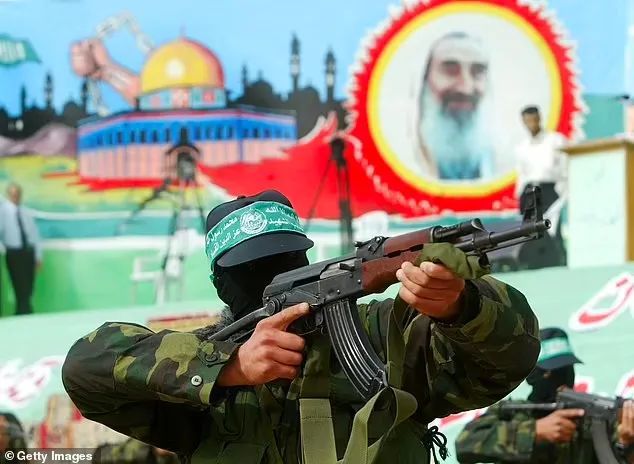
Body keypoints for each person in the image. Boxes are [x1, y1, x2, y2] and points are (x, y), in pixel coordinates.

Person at [62, 189, 541, 464]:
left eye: (286, 260)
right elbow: (86, 366)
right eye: (250, 269)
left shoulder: (379, 333)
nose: (268, 277)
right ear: (220, 284)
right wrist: (230, 366)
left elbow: (508, 358)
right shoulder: (198, 368)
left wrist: (461, 305)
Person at [455, 327, 634, 463]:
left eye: (567, 369)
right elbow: (464, 445)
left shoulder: (593, 419)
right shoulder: (511, 413)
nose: (562, 379)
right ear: (533, 375)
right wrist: (535, 431)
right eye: (551, 372)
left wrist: (626, 444)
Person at [416, 32, 494, 180]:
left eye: (478, 72)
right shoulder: (401, 156)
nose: (466, 88)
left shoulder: (508, 161)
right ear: (424, 80)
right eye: (450, 71)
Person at [515, 106, 568, 212]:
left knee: (550, 222)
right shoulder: (522, 147)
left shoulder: (556, 140)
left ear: (540, 118)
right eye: (528, 121)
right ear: (524, 122)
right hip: (529, 193)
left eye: (534, 119)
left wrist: (561, 193)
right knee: (529, 222)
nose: (532, 124)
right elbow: (521, 174)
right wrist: (520, 195)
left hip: (550, 191)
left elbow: (565, 168)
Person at [0, 183, 42, 315]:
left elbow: (34, 235)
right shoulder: (2, 212)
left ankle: (24, 312)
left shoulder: (25, 212)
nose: (16, 196)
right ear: (8, 195)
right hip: (14, 253)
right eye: (13, 194)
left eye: (18, 193)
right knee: (19, 284)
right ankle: (24, 313)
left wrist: (38, 256)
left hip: (28, 252)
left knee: (29, 285)